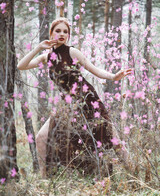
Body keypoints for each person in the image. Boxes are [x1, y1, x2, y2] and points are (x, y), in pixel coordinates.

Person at [17, 17, 133, 178]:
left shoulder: (72, 52)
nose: (62, 34)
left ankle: (135, 176)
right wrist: (38, 48)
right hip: (67, 105)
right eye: (58, 31)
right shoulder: (46, 57)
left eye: (66, 31)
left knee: (113, 140)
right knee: (41, 138)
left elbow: (95, 70)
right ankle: (44, 179)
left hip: (87, 100)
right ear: (51, 33)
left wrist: (114, 76)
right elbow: (21, 65)